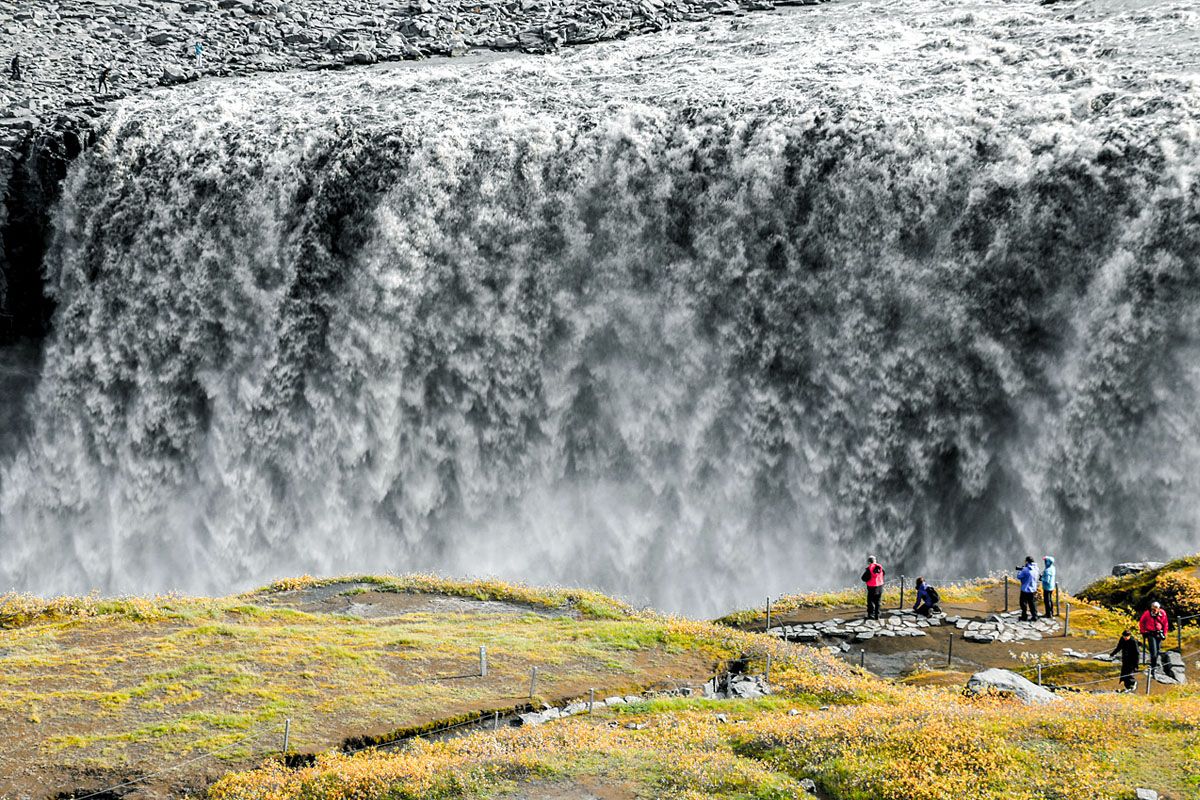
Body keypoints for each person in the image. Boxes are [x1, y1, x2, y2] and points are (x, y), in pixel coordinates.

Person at [1139, 601, 1169, 677]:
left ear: (1159, 609)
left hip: (1159, 633)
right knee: (1154, 652)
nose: (1154, 611)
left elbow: (1165, 623)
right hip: (1150, 633)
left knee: (1158, 650)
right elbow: (1142, 622)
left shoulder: (1162, 613)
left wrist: (1164, 633)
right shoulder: (1147, 613)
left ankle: (1154, 663)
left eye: (1156, 609)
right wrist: (1143, 631)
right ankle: (1153, 668)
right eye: (1153, 609)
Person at [861, 556, 885, 621]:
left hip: (872, 588)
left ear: (869, 562)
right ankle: (877, 615)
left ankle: (870, 615)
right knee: (878, 602)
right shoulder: (880, 567)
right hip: (880, 587)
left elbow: (863, 578)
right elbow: (883, 574)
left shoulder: (869, 569)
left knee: (870, 602)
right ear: (875, 561)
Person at [1016, 556, 1039, 621]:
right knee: (1032, 604)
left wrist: (1020, 570)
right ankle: (1035, 616)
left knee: (1023, 603)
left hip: (1025, 589)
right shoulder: (1036, 568)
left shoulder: (1025, 570)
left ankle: (1024, 616)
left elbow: (1019, 576)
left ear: (1027, 561)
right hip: (1033, 589)